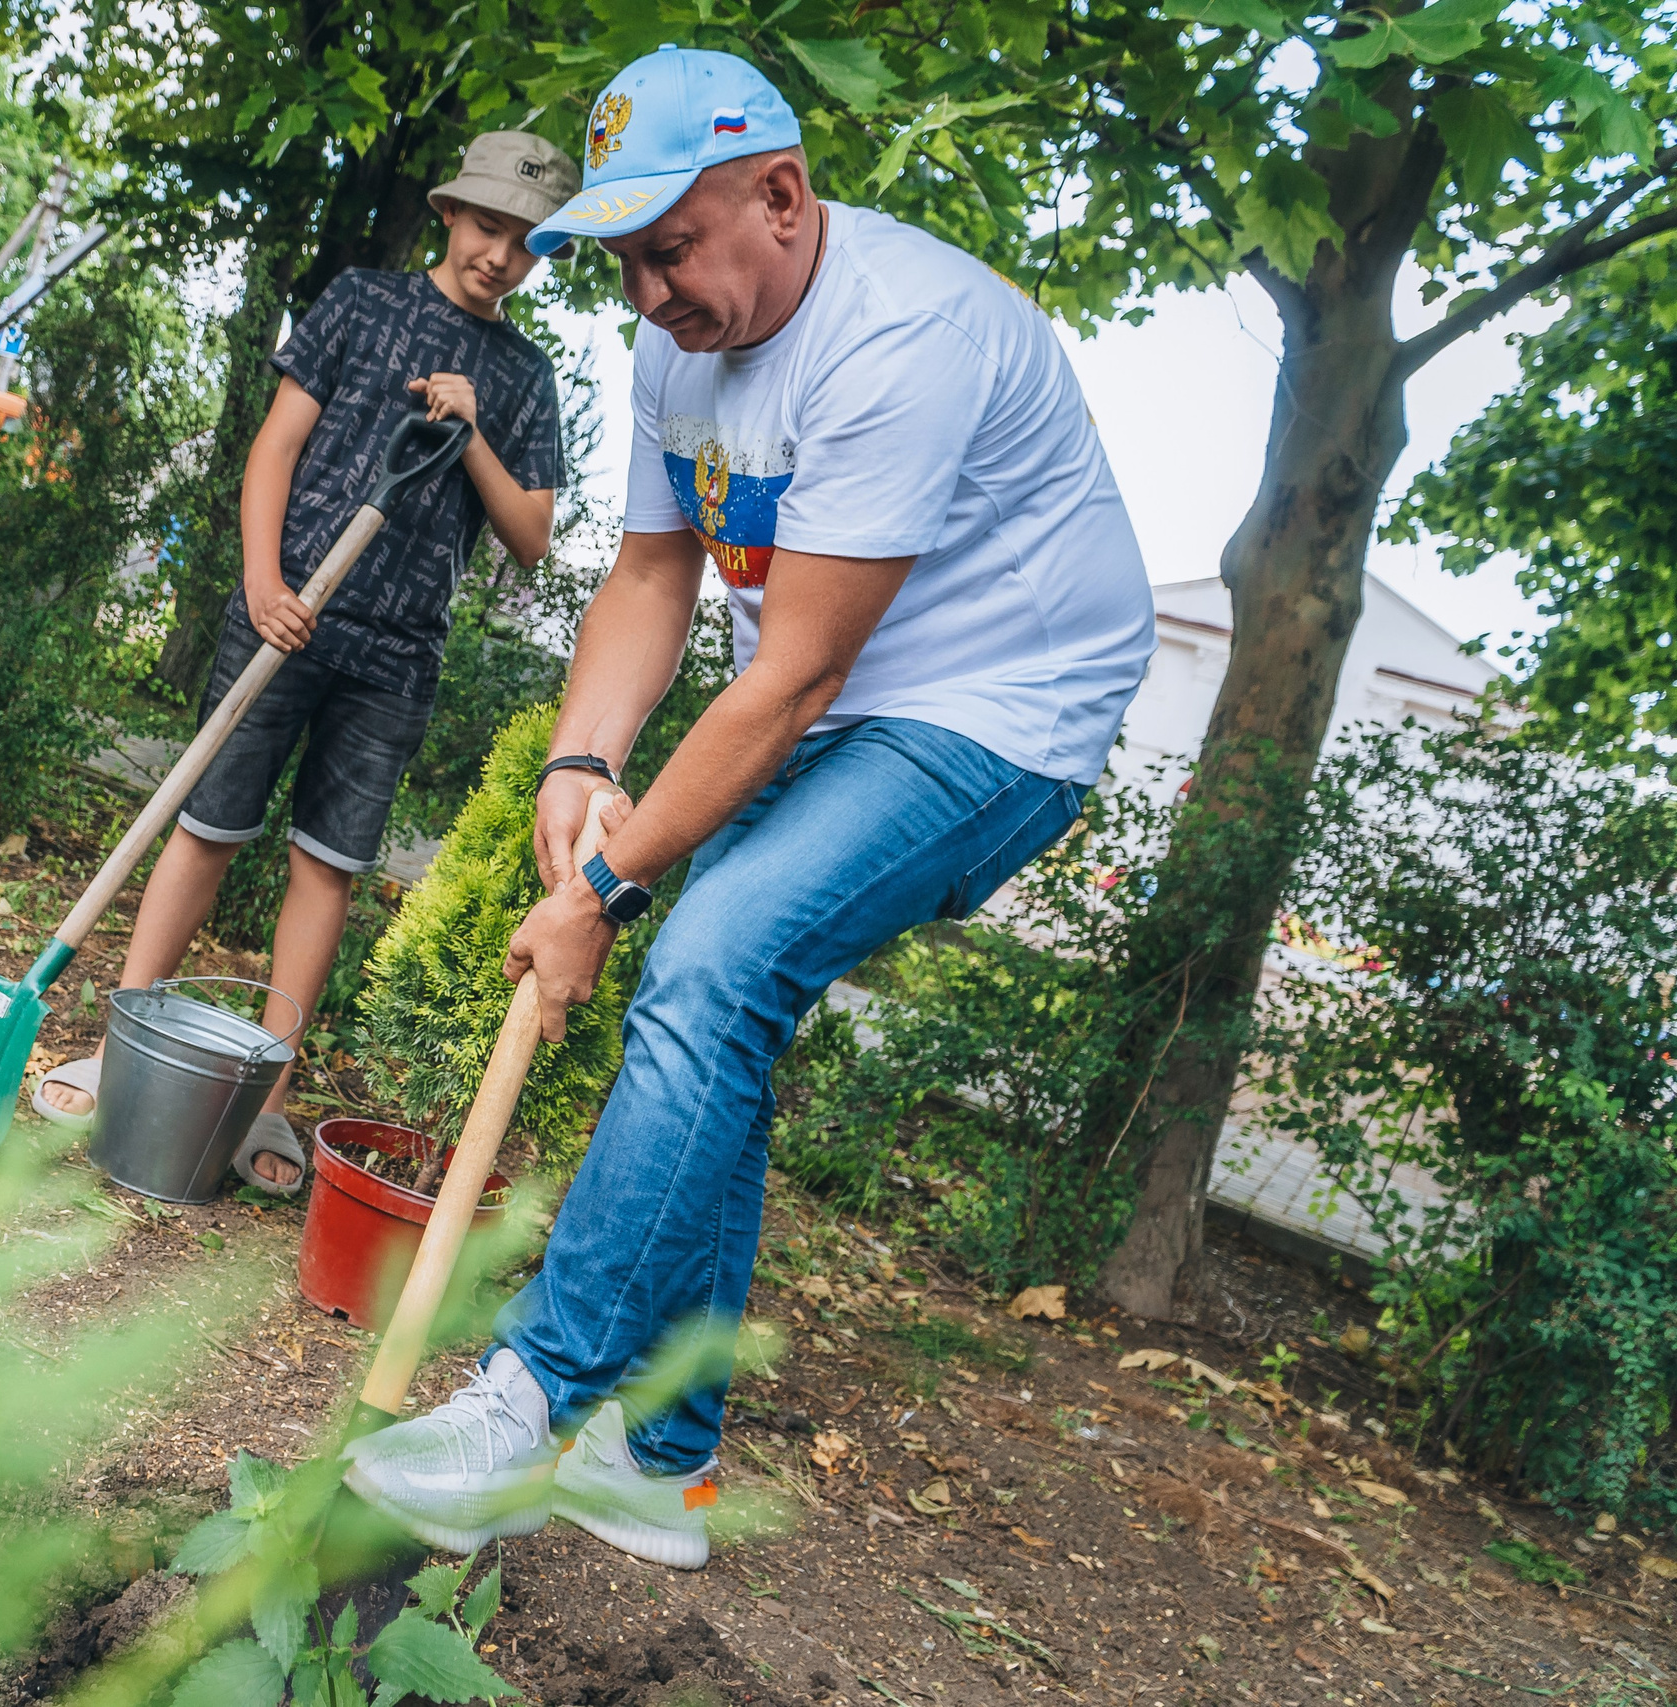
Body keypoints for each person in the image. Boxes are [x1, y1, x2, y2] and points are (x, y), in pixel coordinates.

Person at [340, 47, 1156, 1568]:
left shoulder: (899, 336)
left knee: (707, 953)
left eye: (668, 251)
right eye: (624, 263)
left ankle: (529, 1399)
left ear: (780, 196)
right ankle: (661, 1469)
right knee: (724, 992)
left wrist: (598, 896)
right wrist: (580, 767)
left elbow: (788, 678)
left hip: (1001, 708)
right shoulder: (681, 348)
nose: (645, 295)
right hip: (835, 694)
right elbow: (652, 573)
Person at [31, 130, 579, 1193]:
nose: (499, 257)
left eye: (526, 244)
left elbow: (530, 532)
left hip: (395, 653)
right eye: (487, 228)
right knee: (204, 826)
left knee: (325, 867)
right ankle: (120, 1050)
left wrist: (469, 430)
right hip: (285, 616)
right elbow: (275, 446)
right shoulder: (360, 304)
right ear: (451, 216)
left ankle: (263, 1102)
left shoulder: (522, 375)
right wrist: (259, 584)